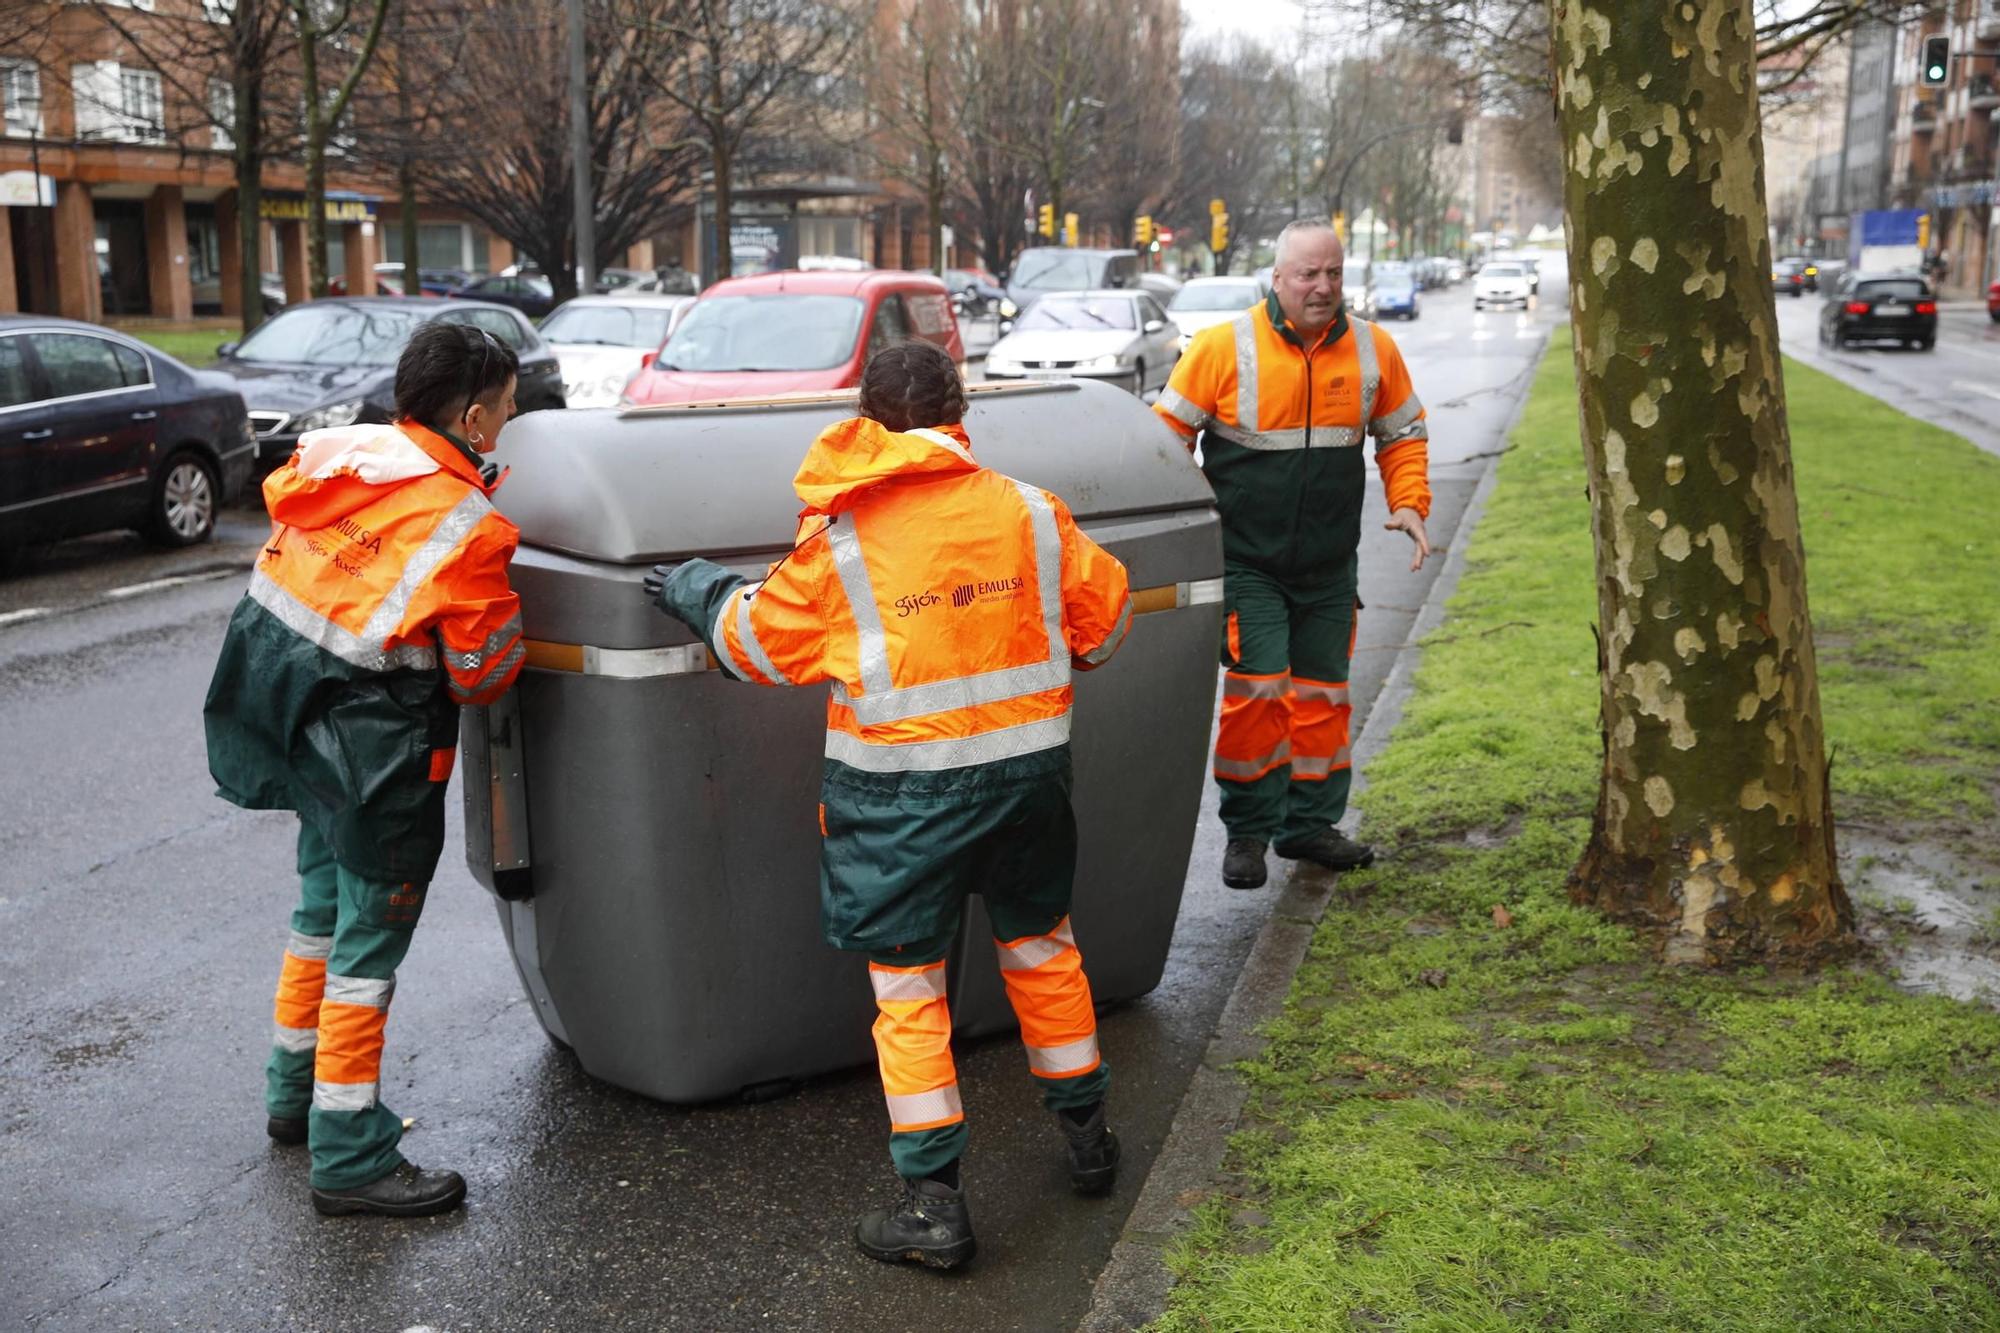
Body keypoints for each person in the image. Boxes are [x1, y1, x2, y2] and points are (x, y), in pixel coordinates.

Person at [645, 339, 1132, 1271]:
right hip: (1029, 788)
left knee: (910, 996)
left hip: (901, 809)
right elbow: (1103, 626)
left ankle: (935, 1208)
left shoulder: (844, 543)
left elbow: (755, 645)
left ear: (868, 424)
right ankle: (1089, 1143)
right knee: (1041, 951)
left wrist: (696, 589)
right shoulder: (1033, 514)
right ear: (960, 417)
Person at [204, 323, 526, 1217]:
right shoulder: (468, 524)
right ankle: (349, 1154)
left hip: (305, 736)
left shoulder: (348, 469)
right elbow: (484, 672)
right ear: (470, 416)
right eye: (505, 406)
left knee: (317, 915)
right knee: (366, 949)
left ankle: (291, 1094)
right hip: (381, 758)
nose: (511, 420)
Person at [1155, 220, 1432, 890]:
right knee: (1259, 695)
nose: (1323, 287)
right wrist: (1187, 530)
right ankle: (1248, 830)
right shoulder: (1223, 348)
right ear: (1277, 278)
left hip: (1330, 567)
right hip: (1248, 563)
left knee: (1324, 697)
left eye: (1333, 273)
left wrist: (1410, 504)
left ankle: (1309, 825)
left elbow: (1403, 435)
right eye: (1308, 274)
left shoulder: (1374, 351)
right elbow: (1165, 442)